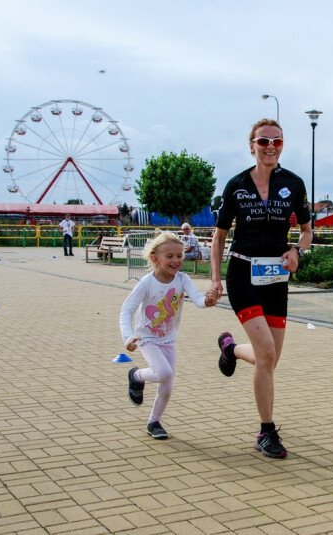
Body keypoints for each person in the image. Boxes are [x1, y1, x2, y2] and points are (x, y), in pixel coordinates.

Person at [206, 118, 313, 459]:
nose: (270, 147)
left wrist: (297, 250)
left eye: (277, 142)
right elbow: (219, 236)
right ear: (251, 145)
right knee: (266, 354)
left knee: (270, 359)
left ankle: (231, 349)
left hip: (276, 279)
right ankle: (266, 431)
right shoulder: (236, 185)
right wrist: (215, 278)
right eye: (263, 141)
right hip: (243, 274)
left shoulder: (294, 184)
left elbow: (308, 232)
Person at [119, 232, 215, 439]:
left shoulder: (182, 279)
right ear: (155, 259)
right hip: (147, 338)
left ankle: (153, 422)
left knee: (167, 385)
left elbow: (197, 299)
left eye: (179, 256)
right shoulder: (146, 283)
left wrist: (207, 301)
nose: (176, 260)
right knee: (164, 373)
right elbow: (127, 310)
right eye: (169, 256)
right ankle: (135, 376)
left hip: (169, 339)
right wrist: (128, 337)